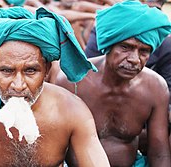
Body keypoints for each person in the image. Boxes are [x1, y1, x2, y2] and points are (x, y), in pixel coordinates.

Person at [0, 7, 110, 166]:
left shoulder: (72, 111)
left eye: (31, 71)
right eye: (6, 71)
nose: (18, 85)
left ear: (47, 69)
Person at [56, 1, 171, 166]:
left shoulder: (155, 88)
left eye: (144, 51)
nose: (134, 59)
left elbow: (159, 154)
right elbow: (54, 147)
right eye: (125, 47)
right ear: (108, 46)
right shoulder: (72, 80)